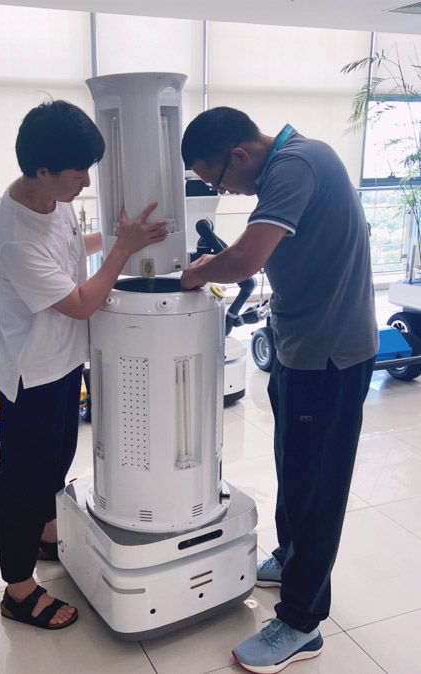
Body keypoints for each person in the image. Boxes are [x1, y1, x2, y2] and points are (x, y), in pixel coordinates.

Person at [180, 107, 378, 673]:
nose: (225, 193)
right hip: (300, 348)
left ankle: (301, 622)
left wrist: (198, 271)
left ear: (238, 155)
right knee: (293, 466)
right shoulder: (289, 163)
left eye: (218, 181)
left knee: (316, 489)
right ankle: (292, 559)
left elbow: (246, 259)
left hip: (330, 356)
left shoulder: (295, 165)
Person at [0, 100, 167, 631]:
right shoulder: (15, 237)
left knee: (57, 460)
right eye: (78, 173)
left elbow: (70, 248)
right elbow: (83, 302)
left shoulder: (52, 199)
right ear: (43, 170)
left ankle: (47, 535)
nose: (85, 182)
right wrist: (121, 252)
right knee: (23, 480)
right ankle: (18, 590)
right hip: (32, 375)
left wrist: (116, 239)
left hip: (64, 361)